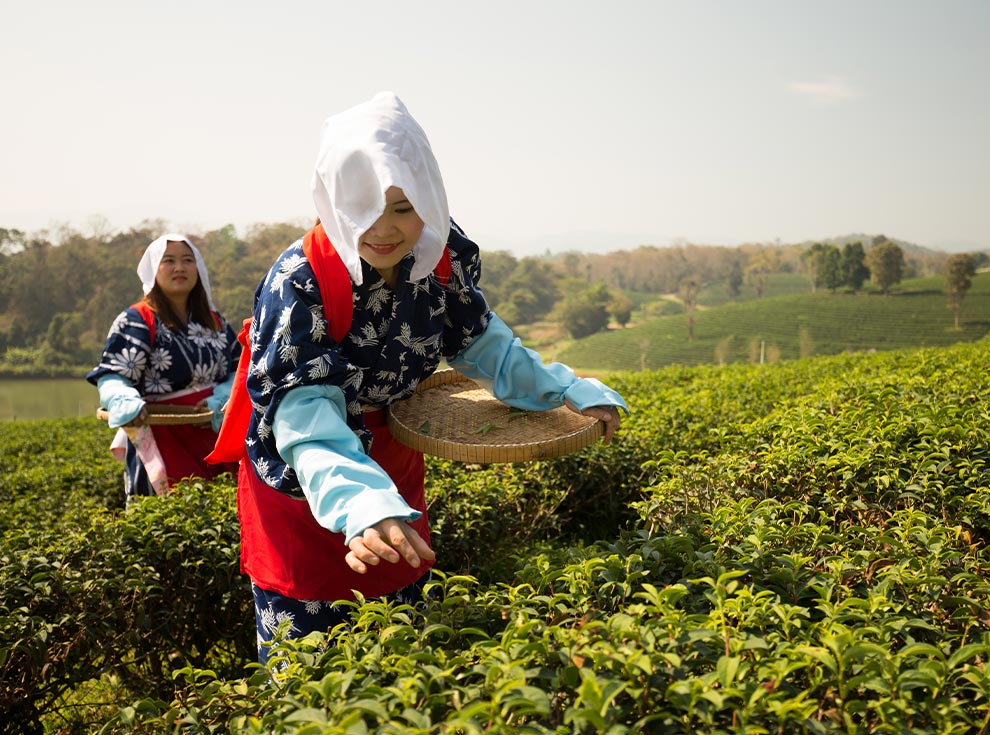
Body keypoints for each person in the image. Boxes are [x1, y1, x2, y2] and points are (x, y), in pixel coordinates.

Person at [209, 91, 628, 664]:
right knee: (310, 667)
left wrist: (567, 393)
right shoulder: (300, 280)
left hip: (391, 456)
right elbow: (305, 416)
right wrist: (360, 504)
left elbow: (485, 345)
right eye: (364, 205)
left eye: (404, 207)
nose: (384, 229)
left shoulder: (438, 253)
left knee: (401, 646)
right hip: (308, 474)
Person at [87, 234, 240, 503]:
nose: (179, 268)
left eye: (187, 261)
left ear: (198, 269)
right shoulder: (136, 320)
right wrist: (126, 405)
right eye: (168, 261)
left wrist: (221, 399)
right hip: (161, 436)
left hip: (213, 435)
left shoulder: (215, 322)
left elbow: (240, 371)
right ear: (153, 270)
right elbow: (113, 376)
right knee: (166, 520)